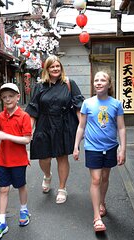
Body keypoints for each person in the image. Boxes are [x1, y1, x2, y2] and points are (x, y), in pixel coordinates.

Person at [25, 55, 84, 204]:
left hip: (63, 124)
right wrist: (28, 131)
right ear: (47, 69)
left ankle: (62, 188)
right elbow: (33, 109)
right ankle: (47, 175)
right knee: (44, 157)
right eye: (52, 66)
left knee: (62, 156)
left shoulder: (69, 83)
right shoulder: (39, 86)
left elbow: (79, 107)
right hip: (44, 123)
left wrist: (82, 128)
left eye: (58, 66)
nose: (55, 69)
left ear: (61, 68)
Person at [73, 71, 126, 232]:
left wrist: (122, 149)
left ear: (109, 84)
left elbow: (121, 128)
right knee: (96, 180)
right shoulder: (87, 103)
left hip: (110, 147)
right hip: (92, 147)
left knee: (105, 177)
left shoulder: (116, 104)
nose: (99, 82)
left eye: (103, 80)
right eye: (96, 80)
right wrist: (76, 146)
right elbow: (81, 126)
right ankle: (97, 217)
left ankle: (102, 202)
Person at [0, 83, 32, 239]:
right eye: (4, 97)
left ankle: (24, 210)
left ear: (18, 97)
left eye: (11, 96)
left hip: (19, 160)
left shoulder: (24, 116)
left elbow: (27, 140)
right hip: (3, 159)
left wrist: (5, 136)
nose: (7, 99)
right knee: (3, 189)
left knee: (21, 186)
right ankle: (1, 222)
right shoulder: (0, 116)